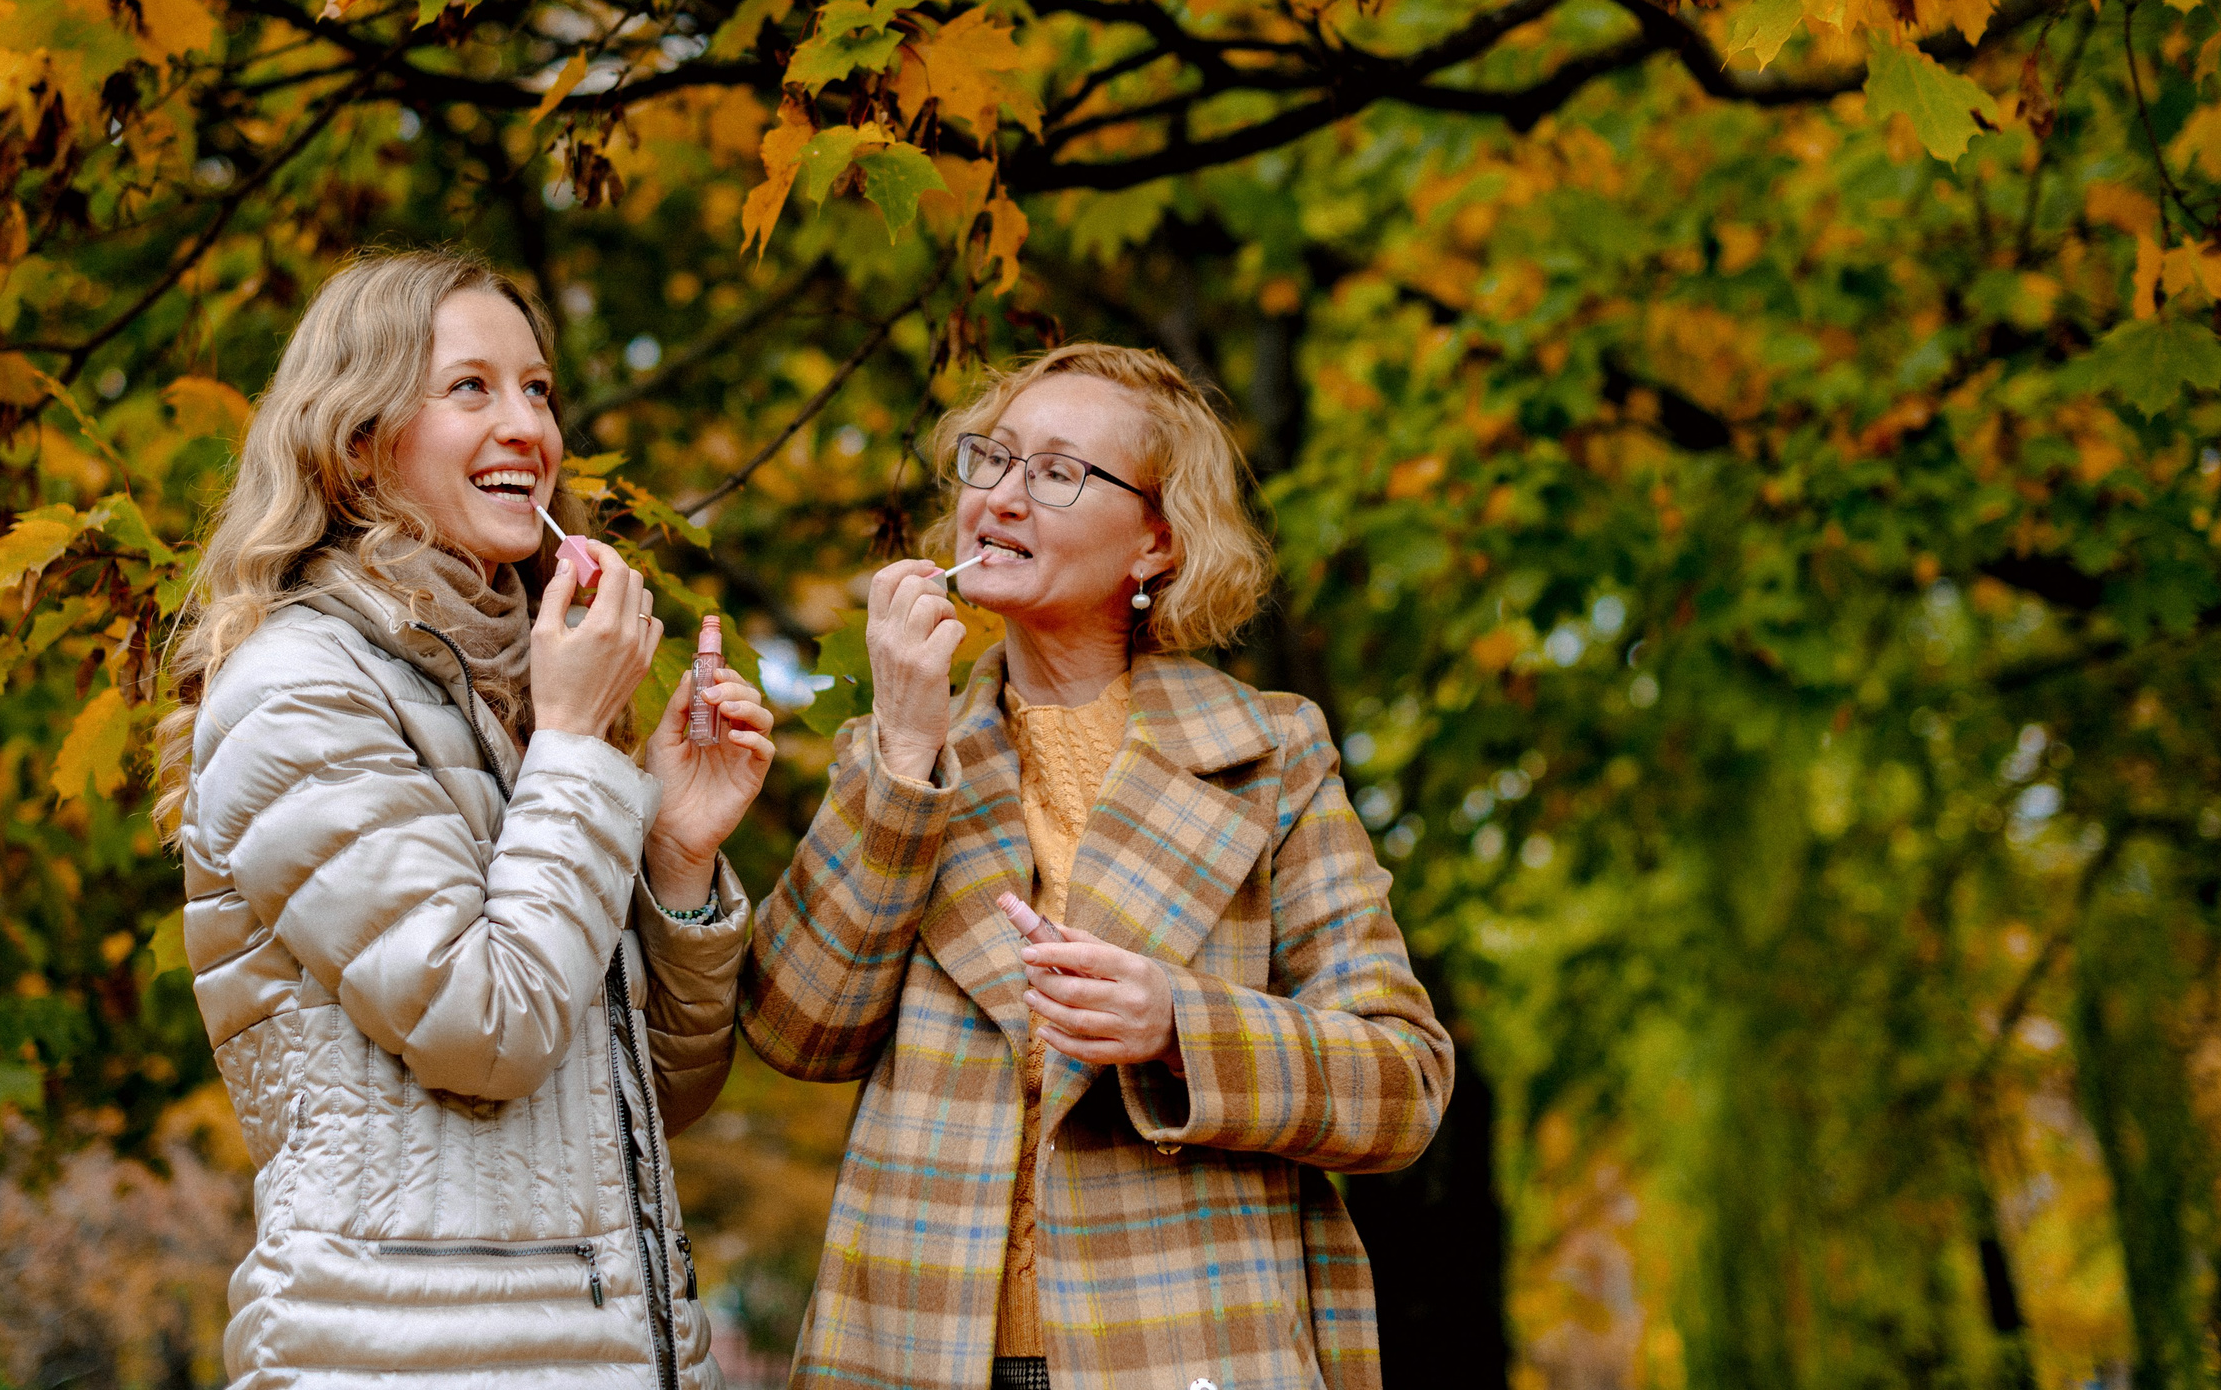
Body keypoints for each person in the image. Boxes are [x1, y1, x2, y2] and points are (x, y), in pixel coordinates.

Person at [743, 343, 1454, 1390]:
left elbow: (1402, 1085)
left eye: (1059, 471)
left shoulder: (1271, 753)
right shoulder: (901, 748)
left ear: (1156, 542)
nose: (1001, 497)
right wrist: (900, 753)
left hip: (1188, 1346)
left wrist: (1178, 1024)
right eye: (990, 460)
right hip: (908, 1348)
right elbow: (795, 1028)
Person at [157, 249, 774, 1390]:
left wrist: (679, 857)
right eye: (470, 387)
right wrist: (583, 747)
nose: (525, 424)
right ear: (357, 440)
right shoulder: (301, 684)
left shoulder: (521, 691)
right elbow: (481, 1028)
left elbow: (654, 1098)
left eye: (537, 388)